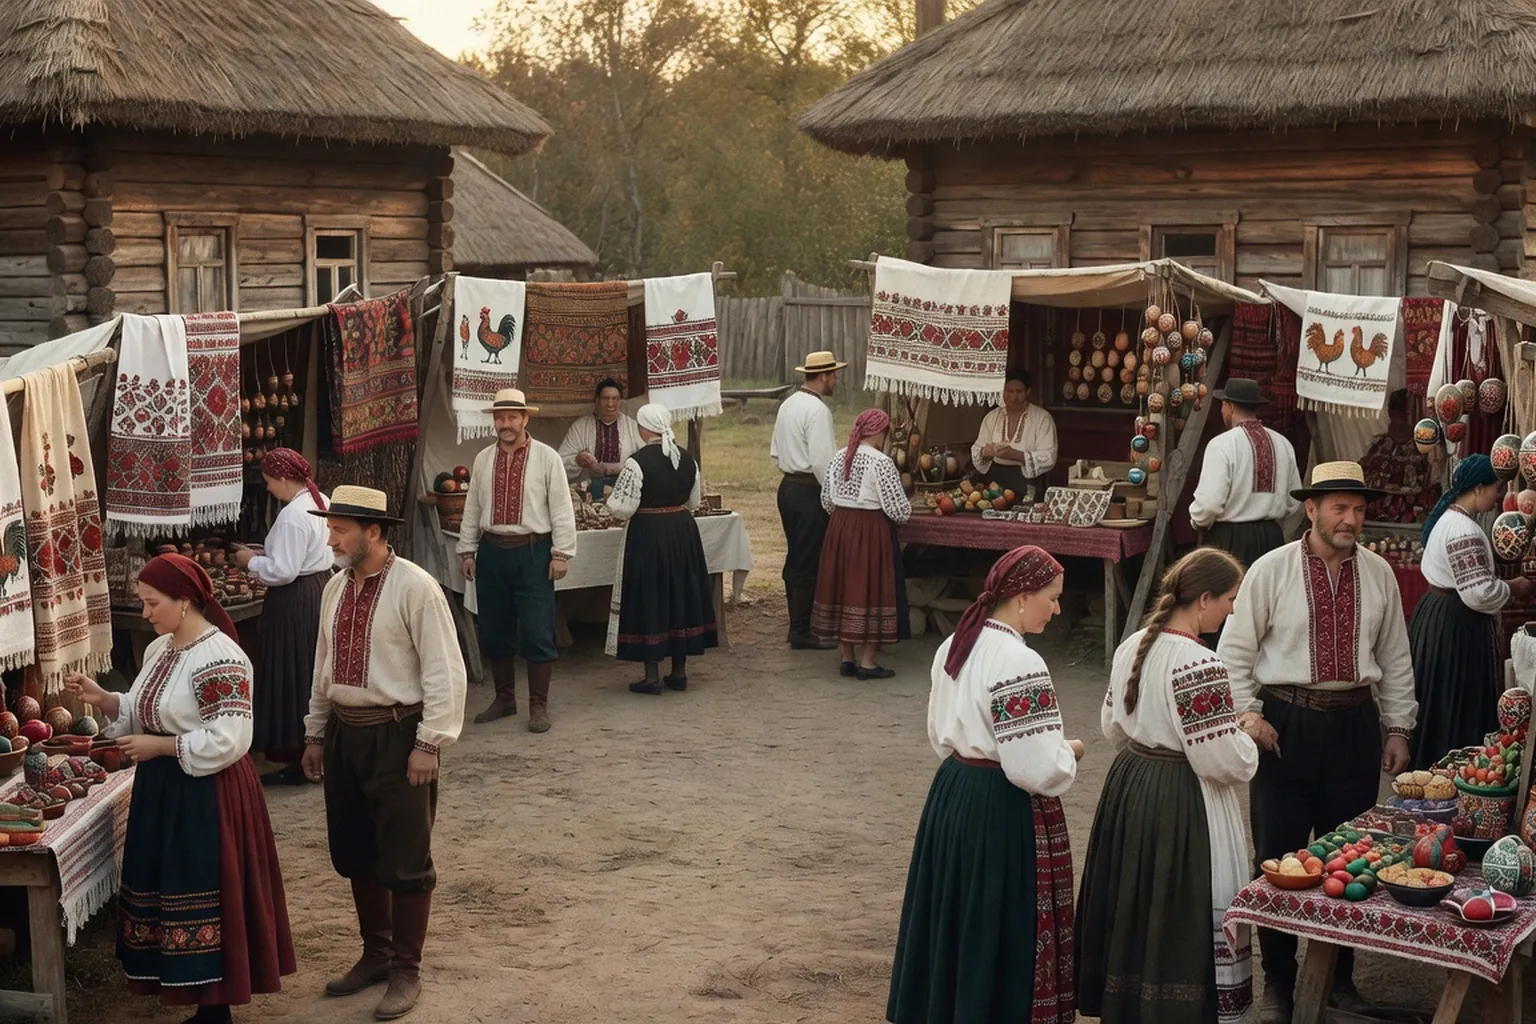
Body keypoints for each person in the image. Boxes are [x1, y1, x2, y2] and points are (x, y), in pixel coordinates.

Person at [1217, 461, 1418, 1022]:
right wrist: (1248, 716)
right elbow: (1234, 651)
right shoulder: (1270, 570)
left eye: (1358, 508)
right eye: (1339, 508)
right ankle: (1279, 984)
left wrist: (1398, 727)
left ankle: (1337, 982)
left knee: (1351, 860)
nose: (1351, 518)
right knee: (1279, 857)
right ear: (1311, 510)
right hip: (1286, 725)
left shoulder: (1378, 573)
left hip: (1355, 723)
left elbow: (1395, 657)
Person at [65, 554, 295, 1024]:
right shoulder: (160, 650)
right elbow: (152, 706)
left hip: (207, 793)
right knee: (173, 888)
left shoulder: (223, 658)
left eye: (152, 603)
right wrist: (107, 699)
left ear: (186, 601)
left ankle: (217, 1011)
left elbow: (230, 739)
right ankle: (201, 1003)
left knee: (206, 889)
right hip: (165, 788)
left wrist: (161, 747)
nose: (145, 613)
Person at [887, 545, 1084, 1024]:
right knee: (997, 919)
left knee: (958, 911)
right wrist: (1068, 752)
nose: (1057, 609)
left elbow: (940, 733)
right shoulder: (1020, 663)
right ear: (1020, 598)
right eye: (1052, 598)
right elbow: (1034, 769)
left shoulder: (956, 643)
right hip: (1001, 807)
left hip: (954, 791)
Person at [1077, 548, 1272, 1024]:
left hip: (1132, 784)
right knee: (1180, 901)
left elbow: (1112, 726)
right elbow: (1219, 758)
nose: (1231, 610)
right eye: (1228, 599)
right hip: (1182, 799)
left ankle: (1130, 1005)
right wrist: (1246, 737)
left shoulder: (1133, 645)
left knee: (1136, 898)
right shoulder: (1200, 664)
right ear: (1202, 599)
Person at [300, 485, 467, 1021]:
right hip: (347, 733)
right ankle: (375, 954)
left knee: (406, 856)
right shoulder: (333, 589)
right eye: (330, 528)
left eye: (339, 529)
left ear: (373, 532)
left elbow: (445, 671)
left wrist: (429, 743)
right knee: (355, 849)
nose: (331, 538)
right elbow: (323, 668)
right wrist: (315, 733)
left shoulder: (416, 588)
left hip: (400, 736)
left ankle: (405, 969)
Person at [457, 388, 577, 732]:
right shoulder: (482, 459)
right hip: (492, 551)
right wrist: (468, 549)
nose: (505, 424)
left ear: (525, 418)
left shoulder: (546, 457)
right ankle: (504, 698)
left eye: (512, 417)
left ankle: (538, 706)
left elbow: (561, 508)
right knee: (494, 627)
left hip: (533, 551)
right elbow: (473, 509)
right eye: (499, 418)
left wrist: (561, 553)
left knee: (538, 628)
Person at [1410, 454, 1532, 769]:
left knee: (1441, 699)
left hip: (1441, 616)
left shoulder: (1448, 519)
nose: (1496, 497)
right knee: (1456, 698)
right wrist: (1514, 587)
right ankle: (1452, 769)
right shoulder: (1464, 529)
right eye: (1495, 489)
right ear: (1478, 488)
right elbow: (1479, 593)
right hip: (1457, 626)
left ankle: (1434, 765)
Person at [231, 448, 331, 786]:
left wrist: (251, 563)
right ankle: (315, 748)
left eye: (271, 482)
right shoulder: (321, 501)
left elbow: (284, 571)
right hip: (316, 590)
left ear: (286, 479)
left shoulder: (292, 515)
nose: (269, 488)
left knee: (292, 671)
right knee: (308, 668)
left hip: (293, 599)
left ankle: (296, 754)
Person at [605, 403, 718, 694]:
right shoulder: (687, 458)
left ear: (643, 429)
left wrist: (611, 498)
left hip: (650, 535)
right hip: (682, 532)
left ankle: (652, 676)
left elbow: (621, 508)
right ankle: (678, 673)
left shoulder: (636, 462)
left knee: (650, 596)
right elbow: (693, 502)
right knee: (679, 594)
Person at [811, 408, 912, 680]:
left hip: (840, 529)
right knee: (870, 590)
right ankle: (867, 662)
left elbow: (826, 501)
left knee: (844, 587)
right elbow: (898, 511)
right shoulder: (881, 463)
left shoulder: (839, 458)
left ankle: (847, 658)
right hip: (870, 531)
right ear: (880, 433)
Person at [1189, 378, 1303, 568]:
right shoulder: (1283, 443)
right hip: (1271, 539)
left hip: (1230, 541)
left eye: (1223, 406)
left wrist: (1197, 521)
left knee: (1230, 595)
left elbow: (1209, 505)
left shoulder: (1221, 445)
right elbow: (1295, 502)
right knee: (1267, 596)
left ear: (1229, 406)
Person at [771, 350, 843, 650]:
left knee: (798, 554)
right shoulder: (816, 410)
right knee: (808, 558)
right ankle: (802, 630)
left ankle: (801, 625)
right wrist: (834, 496)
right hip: (808, 489)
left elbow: (775, 452)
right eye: (834, 375)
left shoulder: (788, 404)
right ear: (824, 376)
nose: (836, 380)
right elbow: (822, 461)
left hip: (788, 487)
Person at [969, 371, 1058, 499]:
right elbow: (977, 450)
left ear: (1028, 392)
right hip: (994, 483)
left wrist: (1015, 455)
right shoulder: (992, 417)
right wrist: (986, 451)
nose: (1013, 397)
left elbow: (1049, 457)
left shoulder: (1042, 418)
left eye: (1018, 392)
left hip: (1027, 484)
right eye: (1009, 391)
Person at [557, 377, 642, 500]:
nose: (610, 404)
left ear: (620, 402)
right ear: (597, 401)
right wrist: (577, 461)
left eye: (615, 399)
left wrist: (622, 467)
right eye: (605, 398)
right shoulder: (580, 426)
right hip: (589, 491)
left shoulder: (632, 426)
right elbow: (560, 465)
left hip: (625, 492)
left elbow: (644, 462)